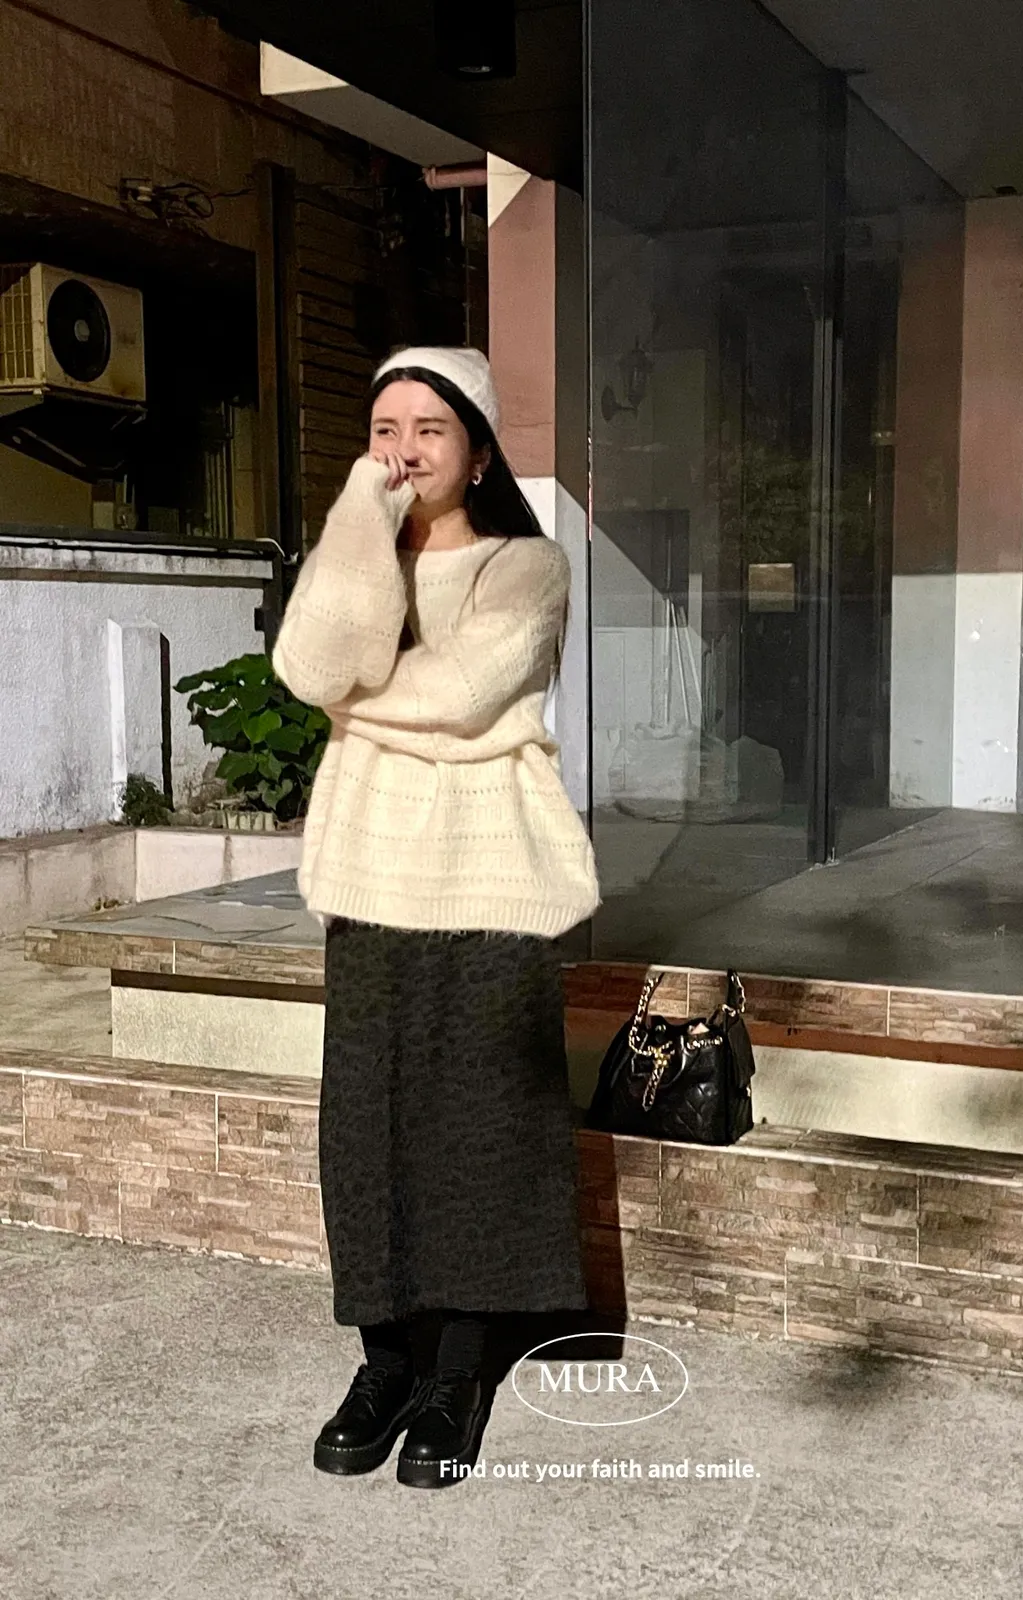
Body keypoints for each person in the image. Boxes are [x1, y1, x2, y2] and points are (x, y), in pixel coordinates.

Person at [271, 345, 601, 1490]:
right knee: (365, 1132)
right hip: (369, 879)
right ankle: (386, 1361)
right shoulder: (358, 548)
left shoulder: (529, 565)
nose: (403, 449)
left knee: (479, 1131)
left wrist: (355, 702)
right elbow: (310, 660)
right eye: (384, 428)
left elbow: (463, 693)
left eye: (429, 428)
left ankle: (459, 1371)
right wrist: (361, 517)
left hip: (489, 882)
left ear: (480, 451)